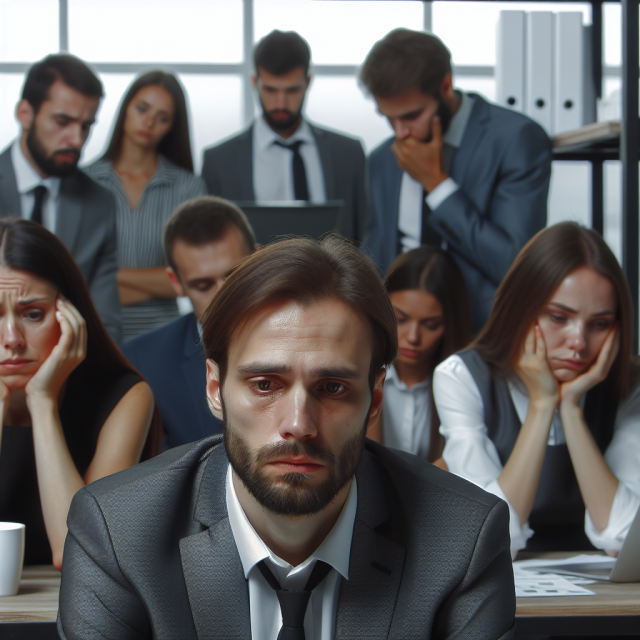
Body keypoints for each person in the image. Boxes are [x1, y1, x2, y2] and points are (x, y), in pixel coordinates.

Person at [58, 235, 515, 640]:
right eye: (265, 385)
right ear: (215, 390)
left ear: (375, 399)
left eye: (332, 388)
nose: (299, 423)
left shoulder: (462, 538)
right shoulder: (118, 533)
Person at [433, 222, 640, 557]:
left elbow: (628, 537)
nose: (579, 343)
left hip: (602, 598)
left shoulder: (629, 386)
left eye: (599, 324)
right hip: (502, 595)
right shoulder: (461, 376)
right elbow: (493, 538)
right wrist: (543, 405)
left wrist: (571, 407)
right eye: (559, 318)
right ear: (521, 309)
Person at [360, 29, 552, 332]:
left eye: (411, 115)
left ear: (446, 85)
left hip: (482, 337)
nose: (400, 133)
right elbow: (375, 257)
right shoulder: (383, 158)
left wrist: (437, 185)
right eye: (388, 118)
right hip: (398, 343)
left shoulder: (516, 139)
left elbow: (515, 264)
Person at [0, 218, 158, 570]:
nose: (12, 338)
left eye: (33, 314)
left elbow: (80, 553)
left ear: (70, 315)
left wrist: (42, 403)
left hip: (80, 616)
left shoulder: (125, 397)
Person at [0, 54, 122, 343]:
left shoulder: (99, 203)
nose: (77, 140)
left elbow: (105, 323)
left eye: (86, 126)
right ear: (25, 113)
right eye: (63, 122)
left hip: (71, 373)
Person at [201, 30, 367, 242]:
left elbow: (363, 235)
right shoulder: (220, 162)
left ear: (308, 82)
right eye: (270, 90)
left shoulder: (348, 154)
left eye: (291, 90)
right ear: (254, 82)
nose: (280, 103)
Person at [122, 196, 255, 450]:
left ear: (259, 260)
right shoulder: (143, 360)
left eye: (234, 275)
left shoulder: (308, 336)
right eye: (203, 286)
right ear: (176, 282)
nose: (222, 297)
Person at [87, 71, 206, 340]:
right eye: (142, 108)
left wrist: (107, 273)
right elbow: (74, 278)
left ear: (172, 126)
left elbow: (190, 278)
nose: (149, 122)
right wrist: (161, 281)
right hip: (95, 331)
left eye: (163, 117)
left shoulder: (188, 187)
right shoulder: (85, 181)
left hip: (164, 335)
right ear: (126, 108)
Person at [367, 246, 471, 462]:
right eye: (401, 319)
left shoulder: (464, 384)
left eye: (431, 325)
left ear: (450, 326)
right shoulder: (362, 373)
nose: (413, 337)